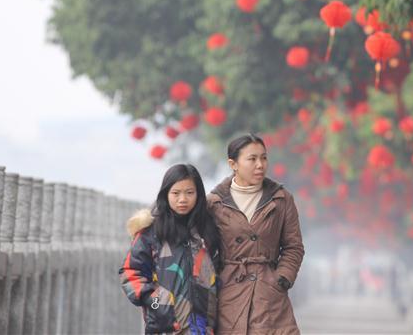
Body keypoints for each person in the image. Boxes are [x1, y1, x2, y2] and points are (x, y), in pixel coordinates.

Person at [208, 133, 305, 335]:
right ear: (233, 164)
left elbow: (293, 246)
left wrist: (282, 279)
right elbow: (204, 249)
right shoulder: (214, 203)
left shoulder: (281, 199)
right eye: (252, 159)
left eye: (264, 157)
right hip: (229, 293)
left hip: (269, 294)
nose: (260, 164)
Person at [119, 164, 224, 334]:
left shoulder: (207, 230)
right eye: (176, 193)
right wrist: (156, 304)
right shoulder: (151, 232)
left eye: (189, 192)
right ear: (166, 194)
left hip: (204, 328)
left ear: (198, 194)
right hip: (165, 328)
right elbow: (130, 273)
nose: (182, 199)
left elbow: (220, 272)